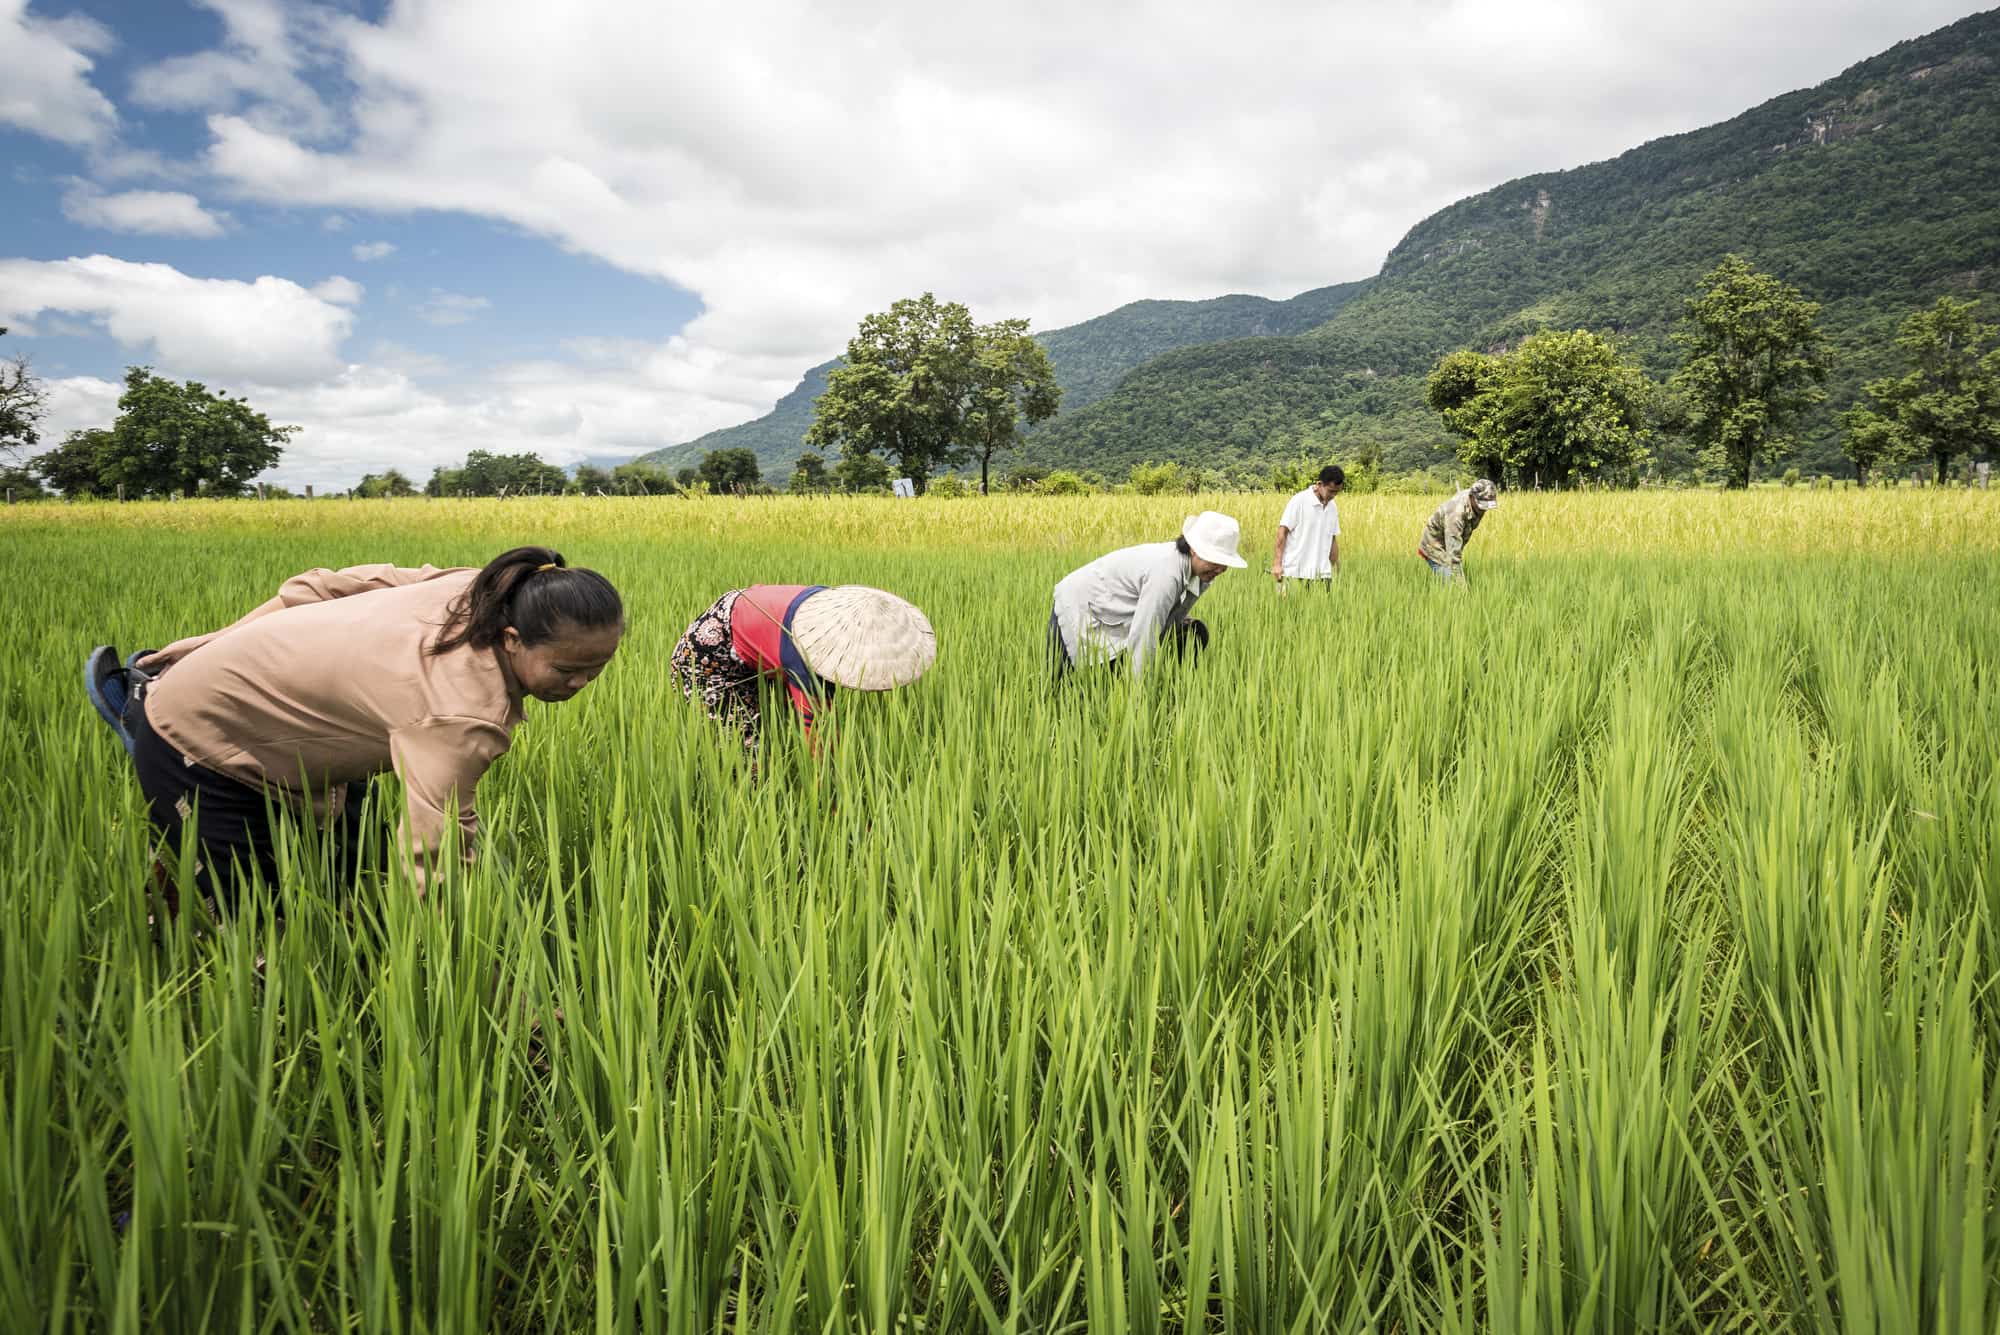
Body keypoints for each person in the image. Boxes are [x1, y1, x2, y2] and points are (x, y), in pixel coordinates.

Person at [85, 546, 623, 913]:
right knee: (254, 937)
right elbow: (436, 863)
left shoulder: (480, 589)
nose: (581, 684)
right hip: (201, 743)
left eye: (596, 668)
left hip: (305, 747)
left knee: (340, 895)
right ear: (511, 638)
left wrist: (214, 645)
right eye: (566, 669)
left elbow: (316, 587)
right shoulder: (459, 710)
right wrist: (478, 980)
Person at [671, 584, 936, 762]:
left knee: (780, 726)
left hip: (757, 635)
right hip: (706, 656)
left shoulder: (830, 608)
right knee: (748, 756)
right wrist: (837, 806)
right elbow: (818, 743)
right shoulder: (806, 654)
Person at [1049, 510, 1246, 679]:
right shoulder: (1166, 574)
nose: (1220, 569)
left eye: (1224, 563)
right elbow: (1145, 636)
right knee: (1065, 685)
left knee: (1193, 632)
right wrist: (1139, 696)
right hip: (1079, 604)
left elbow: (1171, 620)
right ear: (1194, 550)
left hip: (1114, 611)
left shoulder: (1201, 575)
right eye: (1215, 560)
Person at [1272, 464, 1345, 591]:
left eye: (1336, 492)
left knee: (1322, 610)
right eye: (1331, 491)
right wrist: (1277, 564)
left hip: (1323, 575)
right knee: (1290, 610)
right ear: (1319, 484)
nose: (1333, 496)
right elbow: (1282, 532)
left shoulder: (1332, 507)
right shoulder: (1299, 500)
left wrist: (1334, 567)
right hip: (1295, 573)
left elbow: (1332, 538)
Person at [1418, 478, 1499, 581]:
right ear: (1472, 497)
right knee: (1451, 582)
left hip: (1449, 539)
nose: (1484, 509)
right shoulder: (1456, 514)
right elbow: (1453, 557)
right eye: (1482, 504)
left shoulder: (1477, 507)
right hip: (1434, 545)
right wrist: (1462, 589)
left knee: (1452, 578)